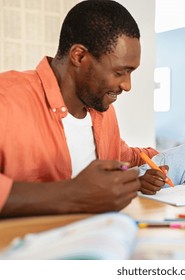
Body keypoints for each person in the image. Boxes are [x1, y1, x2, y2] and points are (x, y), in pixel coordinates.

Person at [0, 0, 158, 217]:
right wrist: (73, 194)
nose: (127, 86)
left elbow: (127, 155)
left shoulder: (103, 110)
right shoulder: (6, 98)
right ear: (79, 56)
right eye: (120, 72)